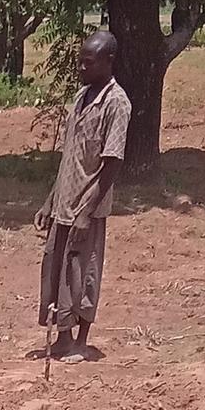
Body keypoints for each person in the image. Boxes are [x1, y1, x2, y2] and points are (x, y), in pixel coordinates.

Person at [35, 31, 131, 363]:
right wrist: (50, 200)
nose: (81, 68)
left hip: (87, 207)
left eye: (88, 63)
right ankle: (62, 336)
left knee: (83, 271)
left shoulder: (117, 103)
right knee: (56, 268)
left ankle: (81, 341)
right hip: (64, 201)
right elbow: (70, 156)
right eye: (81, 61)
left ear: (108, 62)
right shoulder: (80, 97)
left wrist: (85, 211)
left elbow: (112, 164)